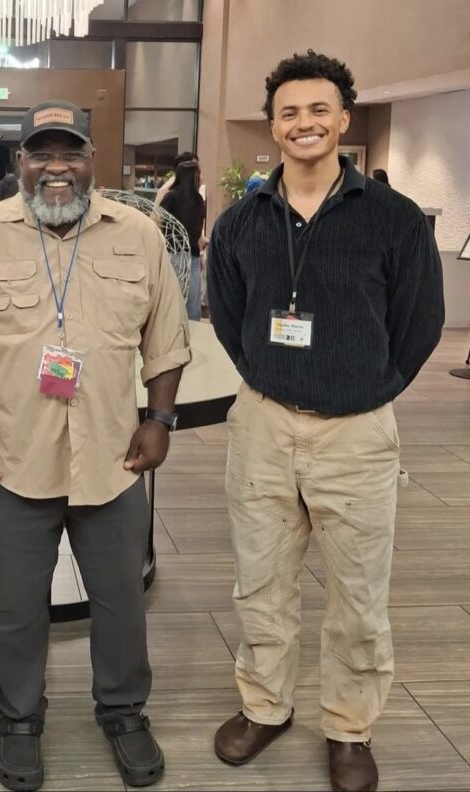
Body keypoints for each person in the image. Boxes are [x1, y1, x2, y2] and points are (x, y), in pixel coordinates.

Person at [0, 99, 191, 791]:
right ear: (21, 163)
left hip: (113, 458)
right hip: (9, 461)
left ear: (94, 160)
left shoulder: (140, 234)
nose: (57, 166)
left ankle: (124, 713)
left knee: (121, 601)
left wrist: (159, 419)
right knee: (12, 604)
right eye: (42, 153)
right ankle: (18, 718)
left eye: (71, 152)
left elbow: (165, 339)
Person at [207, 50, 443, 792]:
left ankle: (349, 725)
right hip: (264, 426)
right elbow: (228, 314)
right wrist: (268, 377)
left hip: (359, 433)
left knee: (358, 593)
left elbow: (420, 322)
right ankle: (266, 707)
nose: (302, 123)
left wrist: (374, 385)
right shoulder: (243, 220)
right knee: (260, 583)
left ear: (343, 119)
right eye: (288, 112)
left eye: (318, 110)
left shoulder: (395, 220)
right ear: (271, 125)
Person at [160, 160, 206, 320]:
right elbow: (198, 231)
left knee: (173, 301)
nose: (201, 177)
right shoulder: (198, 200)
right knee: (192, 304)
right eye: (199, 174)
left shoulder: (170, 197)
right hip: (188, 255)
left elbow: (160, 224)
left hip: (174, 254)